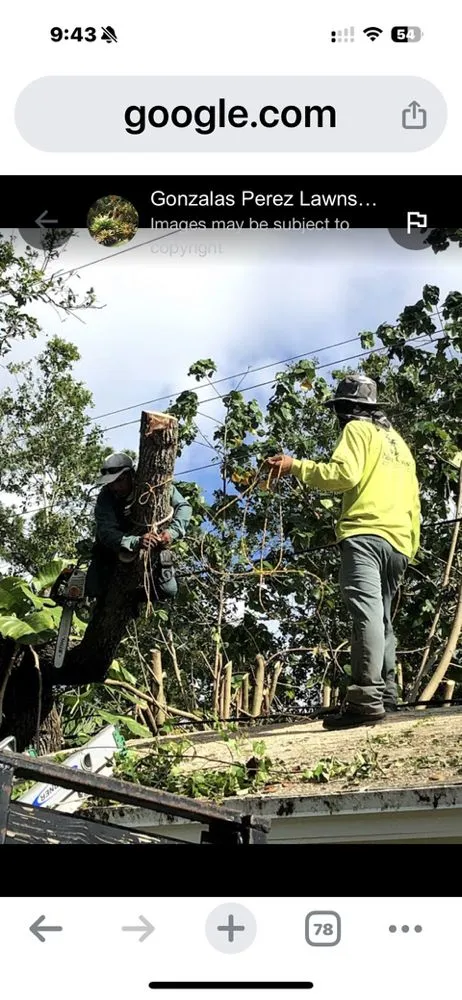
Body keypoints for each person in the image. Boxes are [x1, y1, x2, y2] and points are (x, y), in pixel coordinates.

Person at [266, 373, 421, 729]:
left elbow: (344, 475)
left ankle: (365, 699)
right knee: (382, 617)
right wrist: (409, 545)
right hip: (400, 543)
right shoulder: (398, 444)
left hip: (365, 534)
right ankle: (386, 697)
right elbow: (414, 499)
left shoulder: (356, 430)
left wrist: (295, 467)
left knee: (366, 614)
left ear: (347, 408)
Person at [85, 452, 192, 611]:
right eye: (111, 483)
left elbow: (183, 507)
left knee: (168, 590)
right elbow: (106, 532)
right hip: (114, 550)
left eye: (119, 481)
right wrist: (136, 541)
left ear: (130, 475)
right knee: (94, 588)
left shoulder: (152, 485)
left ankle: (135, 598)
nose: (115, 487)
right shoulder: (106, 498)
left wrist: (172, 532)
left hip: (154, 548)